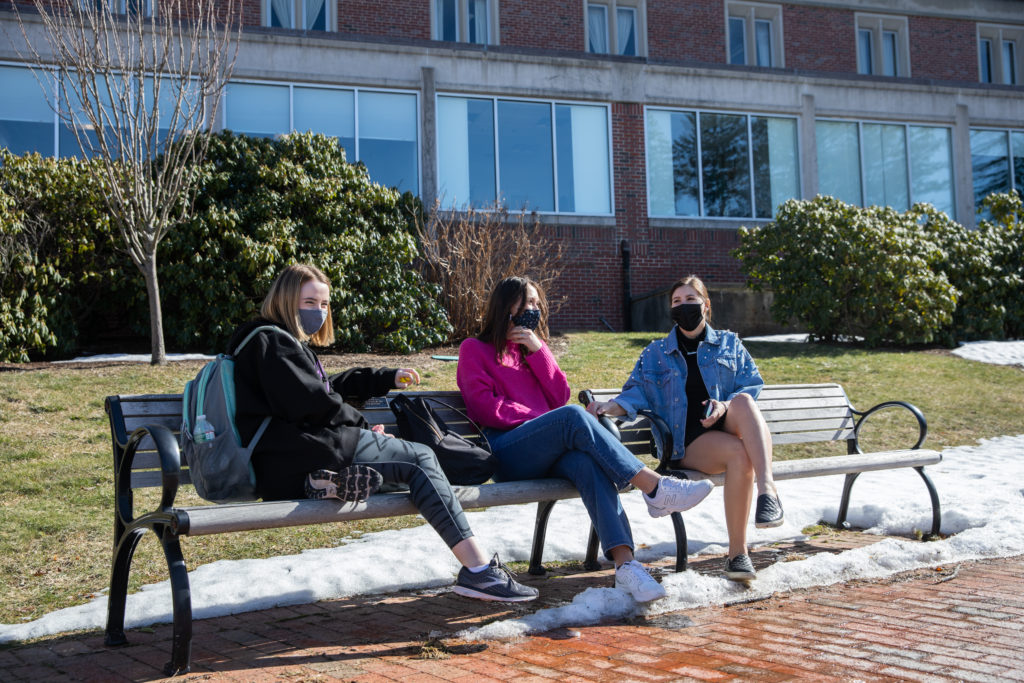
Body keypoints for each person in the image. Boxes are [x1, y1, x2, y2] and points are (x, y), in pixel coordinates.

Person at [228, 264, 538, 602]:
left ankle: (324, 481)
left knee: (410, 471)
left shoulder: (273, 341)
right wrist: (364, 429)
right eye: (309, 303)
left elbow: (321, 388)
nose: (318, 311)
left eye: (324, 304)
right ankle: (479, 572)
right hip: (294, 454)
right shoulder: (271, 342)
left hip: (293, 456)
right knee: (420, 459)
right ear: (286, 300)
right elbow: (314, 402)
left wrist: (383, 378)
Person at [456, 276, 715, 603]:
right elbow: (484, 406)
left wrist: (538, 351)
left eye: (537, 304)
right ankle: (654, 487)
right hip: (508, 453)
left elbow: (559, 393)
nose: (533, 310)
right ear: (504, 307)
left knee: (586, 463)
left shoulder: (529, 351)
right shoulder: (474, 350)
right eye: (525, 304)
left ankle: (626, 566)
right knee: (572, 416)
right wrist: (544, 421)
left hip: (549, 451)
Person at [585, 275, 783, 582]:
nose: (683, 306)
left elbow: (752, 385)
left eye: (690, 300)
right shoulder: (656, 353)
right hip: (686, 443)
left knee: (742, 400)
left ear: (705, 305)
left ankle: (767, 492)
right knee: (740, 457)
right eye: (676, 301)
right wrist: (609, 407)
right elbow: (636, 392)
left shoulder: (729, 343)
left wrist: (723, 406)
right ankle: (737, 555)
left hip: (728, 423)